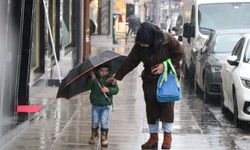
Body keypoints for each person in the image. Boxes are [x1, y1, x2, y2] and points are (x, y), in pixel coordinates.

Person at [107, 22, 184, 149]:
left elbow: (180, 52)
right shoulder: (140, 45)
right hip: (150, 78)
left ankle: (167, 137)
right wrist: (117, 76)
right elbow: (131, 61)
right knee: (151, 107)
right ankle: (153, 138)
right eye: (141, 43)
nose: (142, 45)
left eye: (144, 43)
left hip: (167, 77)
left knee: (167, 106)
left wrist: (164, 65)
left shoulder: (167, 39)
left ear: (151, 38)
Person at [87, 64, 119, 147]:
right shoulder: (94, 79)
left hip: (105, 105)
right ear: (97, 70)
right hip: (95, 105)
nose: (104, 72)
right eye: (101, 70)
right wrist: (92, 79)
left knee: (104, 121)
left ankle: (104, 137)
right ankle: (94, 134)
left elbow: (116, 90)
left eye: (106, 71)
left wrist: (108, 89)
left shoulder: (110, 79)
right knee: (95, 121)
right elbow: (87, 86)